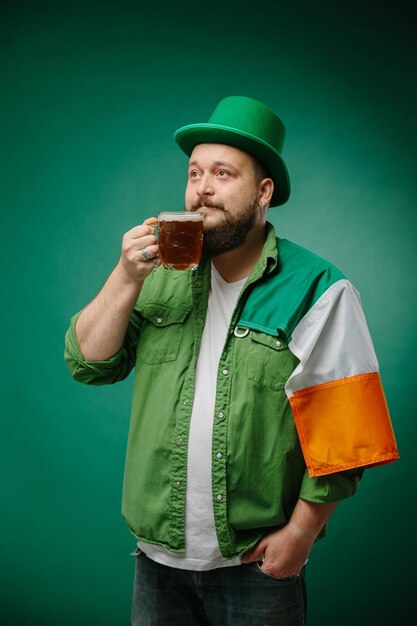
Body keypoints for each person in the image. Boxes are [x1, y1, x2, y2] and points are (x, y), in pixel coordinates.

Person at [65, 96, 399, 626]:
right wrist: (125, 277)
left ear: (263, 192)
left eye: (223, 173)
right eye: (195, 172)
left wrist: (301, 535)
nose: (202, 188)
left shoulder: (318, 288)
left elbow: (347, 432)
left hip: (255, 568)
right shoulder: (156, 276)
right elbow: (88, 362)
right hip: (155, 563)